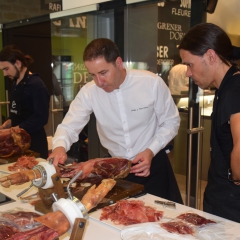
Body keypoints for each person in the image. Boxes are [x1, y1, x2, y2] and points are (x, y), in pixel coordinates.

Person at [49, 38, 183, 203]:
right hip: (115, 170)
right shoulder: (89, 92)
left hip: (153, 165)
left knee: (163, 222)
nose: (99, 82)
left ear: (118, 63)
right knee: (121, 222)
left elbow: (171, 122)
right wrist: (59, 147)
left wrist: (150, 151)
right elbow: (69, 126)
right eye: (93, 75)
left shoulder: (151, 83)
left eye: (103, 73)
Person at [178, 22, 240, 222]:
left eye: (189, 64)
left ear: (211, 56)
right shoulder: (225, 88)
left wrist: (235, 175)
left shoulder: (234, 91)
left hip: (232, 208)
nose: (187, 72)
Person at [0, 45, 50, 159]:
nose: (5, 74)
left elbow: (41, 117)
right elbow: (16, 114)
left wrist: (13, 131)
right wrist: (4, 127)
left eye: (6, 69)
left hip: (34, 145)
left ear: (18, 63)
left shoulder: (36, 85)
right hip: (18, 144)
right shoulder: (15, 82)